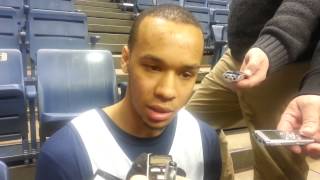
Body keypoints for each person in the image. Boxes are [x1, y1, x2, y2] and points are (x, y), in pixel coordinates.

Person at [35, 5, 222, 180]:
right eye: (153, 68)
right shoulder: (65, 155)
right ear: (125, 59)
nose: (167, 91)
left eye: (186, 74)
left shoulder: (205, 141)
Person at [186, 0, 320, 180]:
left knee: (277, 170)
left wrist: (315, 85)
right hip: (238, 57)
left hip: (287, 64)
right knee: (190, 125)